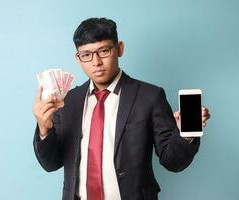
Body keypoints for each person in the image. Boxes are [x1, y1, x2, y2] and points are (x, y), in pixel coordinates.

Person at [32, 17, 211, 200]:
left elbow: (172, 162)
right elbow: (51, 163)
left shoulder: (150, 96)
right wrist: (44, 130)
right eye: (86, 54)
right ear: (78, 58)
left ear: (119, 49)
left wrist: (185, 134)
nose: (96, 62)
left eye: (104, 51)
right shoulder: (69, 101)